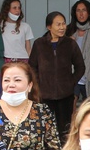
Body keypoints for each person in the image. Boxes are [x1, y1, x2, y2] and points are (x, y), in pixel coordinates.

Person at [0, 62, 61, 150]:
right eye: (6, 80)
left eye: (17, 80)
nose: (11, 85)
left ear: (29, 85)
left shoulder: (42, 111)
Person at [29, 11, 86, 140]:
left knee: (64, 130)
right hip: (45, 95)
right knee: (43, 128)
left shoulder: (70, 44)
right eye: (58, 24)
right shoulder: (39, 44)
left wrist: (71, 82)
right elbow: (32, 67)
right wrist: (39, 83)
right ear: (49, 27)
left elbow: (80, 67)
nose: (62, 27)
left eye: (63, 24)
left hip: (65, 94)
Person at [66, 0, 90, 101]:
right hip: (73, 75)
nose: (81, 14)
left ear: (89, 12)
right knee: (72, 107)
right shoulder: (69, 30)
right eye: (78, 10)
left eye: (84, 10)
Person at [0, 0, 34, 64]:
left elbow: (28, 48)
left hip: (23, 60)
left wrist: (32, 62)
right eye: (14, 8)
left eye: (19, 8)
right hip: (6, 60)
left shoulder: (25, 26)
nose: (17, 10)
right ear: (7, 9)